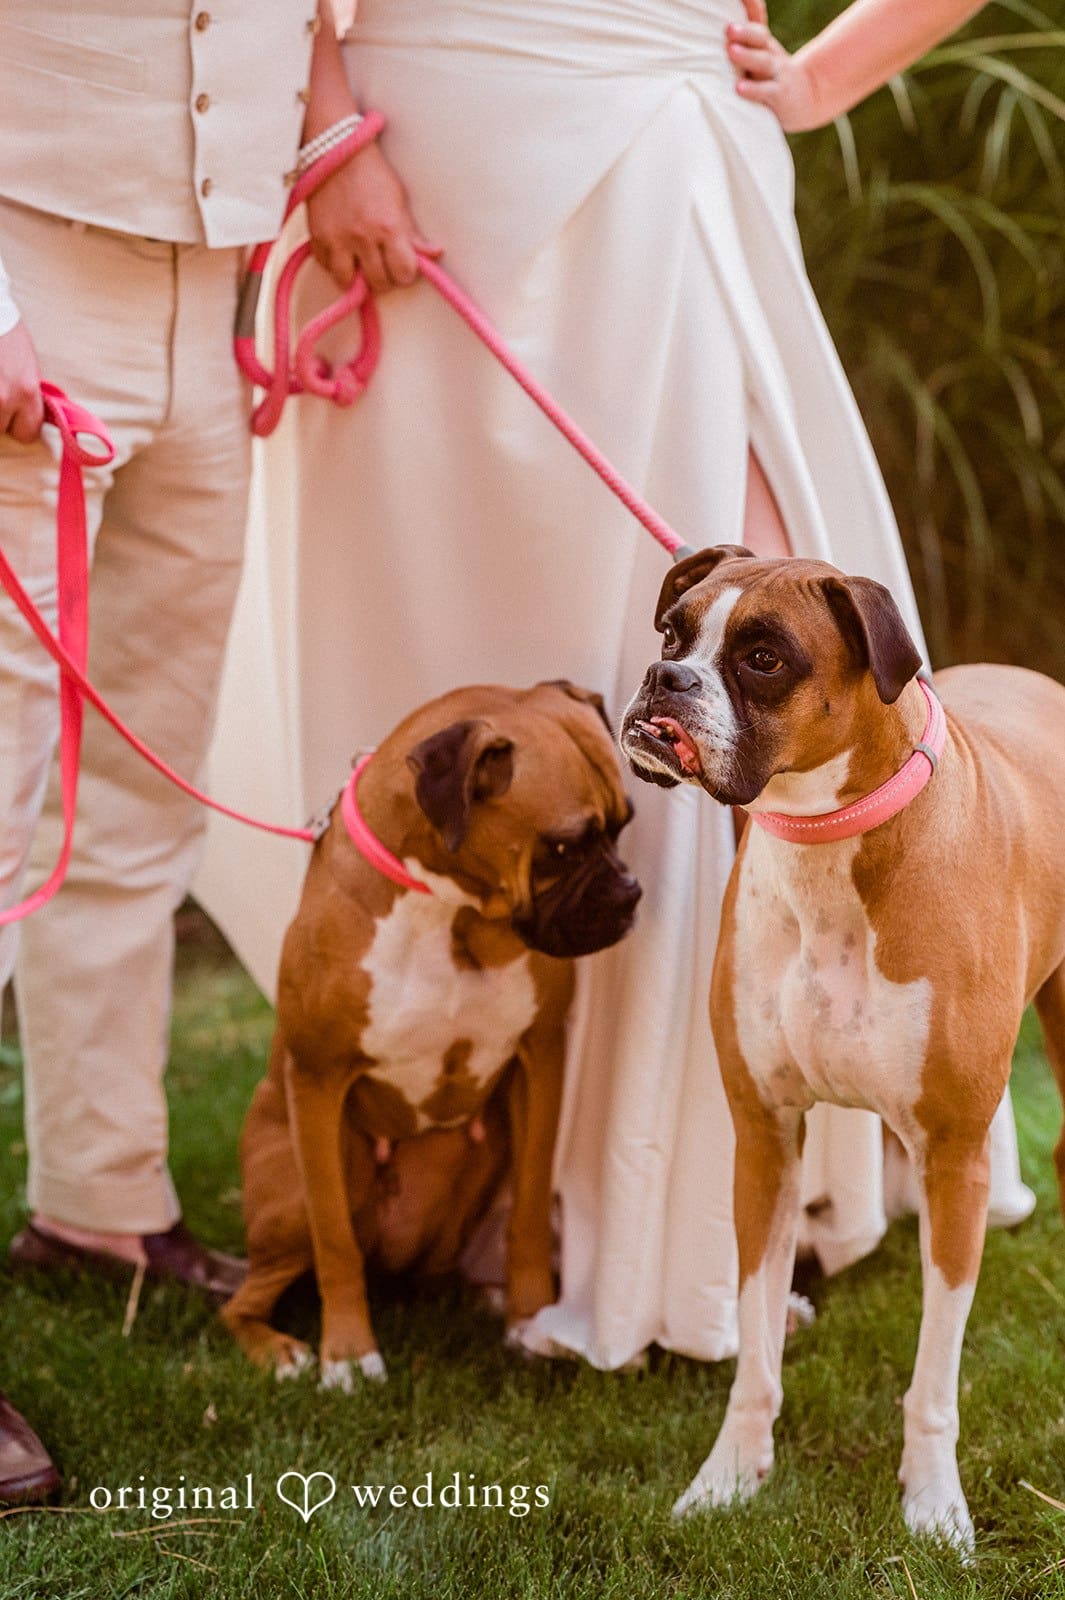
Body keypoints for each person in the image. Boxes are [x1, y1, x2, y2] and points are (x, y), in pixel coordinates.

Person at [197, 0, 1034, 1372]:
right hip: (416, 148)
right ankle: (443, 1165)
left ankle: (688, 1201)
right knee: (436, 627)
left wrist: (819, 79)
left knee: (725, 675)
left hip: (656, 161)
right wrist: (326, 114)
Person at [0, 0, 376, 1503]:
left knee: (143, 788)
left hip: (206, 307)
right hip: (28, 275)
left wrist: (326, 154)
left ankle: (97, 1196)